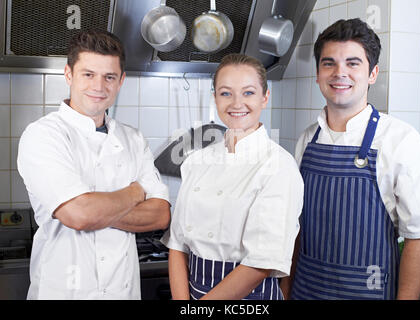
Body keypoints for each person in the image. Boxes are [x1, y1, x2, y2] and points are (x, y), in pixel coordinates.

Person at [283, 18, 420, 300]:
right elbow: (296, 229)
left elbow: (418, 238)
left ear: (373, 73)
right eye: (329, 63)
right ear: (318, 73)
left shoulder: (401, 140)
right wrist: (285, 290)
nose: (339, 73)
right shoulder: (307, 140)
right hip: (305, 292)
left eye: (353, 63)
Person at [17, 29, 171, 300]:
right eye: (88, 74)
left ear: (121, 80)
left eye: (109, 77)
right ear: (68, 75)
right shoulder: (43, 135)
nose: (99, 87)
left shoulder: (133, 138)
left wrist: (94, 211)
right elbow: (79, 215)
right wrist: (135, 193)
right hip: (64, 292)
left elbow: (160, 215)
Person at [161, 53, 303, 300]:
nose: (237, 103)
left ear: (265, 97)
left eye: (248, 92)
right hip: (192, 293)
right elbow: (177, 245)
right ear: (214, 97)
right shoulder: (196, 162)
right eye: (226, 93)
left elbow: (260, 263)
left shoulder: (279, 166)